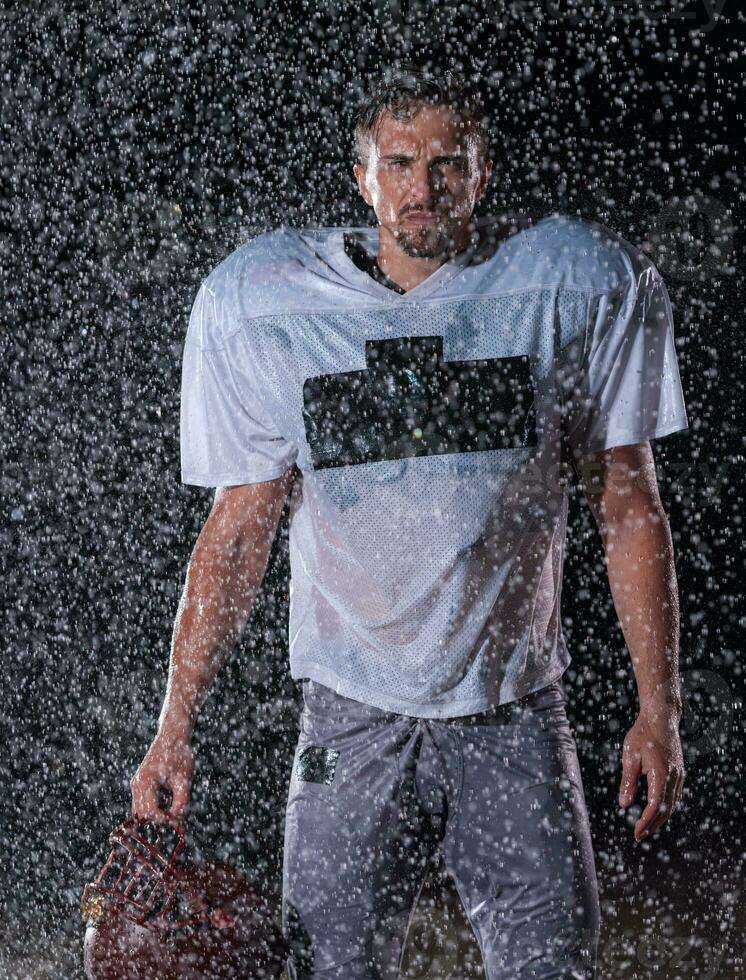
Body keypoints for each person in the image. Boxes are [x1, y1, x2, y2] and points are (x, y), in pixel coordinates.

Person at [131, 67, 688, 978]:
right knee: (330, 968)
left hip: (512, 705)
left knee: (556, 967)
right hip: (351, 712)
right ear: (363, 178)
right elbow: (237, 532)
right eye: (399, 163)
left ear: (483, 170)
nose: (422, 189)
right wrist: (174, 723)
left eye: (445, 163)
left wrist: (657, 710)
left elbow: (626, 504)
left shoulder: (573, 285)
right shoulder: (269, 306)